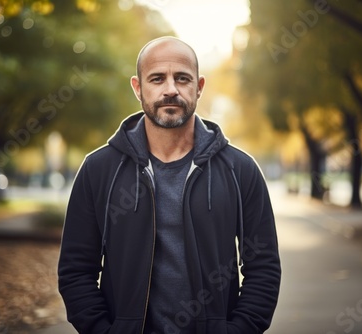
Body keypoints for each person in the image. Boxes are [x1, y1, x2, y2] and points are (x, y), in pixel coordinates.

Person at [58, 36, 281, 334]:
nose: (171, 90)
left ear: (199, 87)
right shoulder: (99, 170)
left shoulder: (240, 170)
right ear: (138, 88)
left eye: (182, 78)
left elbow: (263, 268)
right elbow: (76, 270)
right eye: (157, 78)